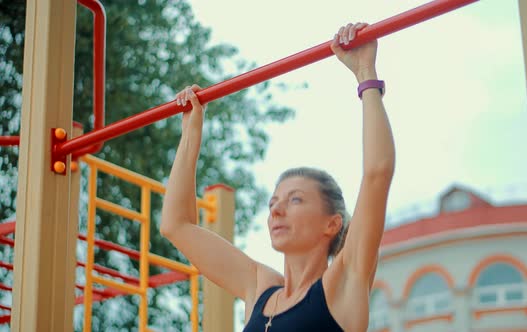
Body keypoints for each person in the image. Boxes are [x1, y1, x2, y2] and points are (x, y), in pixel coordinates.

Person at [161, 22, 395, 332]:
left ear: (332, 223)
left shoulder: (343, 282)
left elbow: (377, 173)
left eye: (295, 199)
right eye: (273, 202)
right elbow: (176, 225)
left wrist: (366, 74)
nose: (276, 210)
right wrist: (191, 133)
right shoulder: (259, 287)